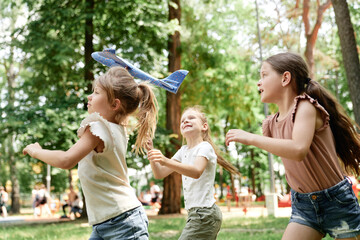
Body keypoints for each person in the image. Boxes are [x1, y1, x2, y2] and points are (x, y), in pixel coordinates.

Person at [225, 52, 360, 240]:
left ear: (285, 78)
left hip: (335, 201)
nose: (259, 82)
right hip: (304, 205)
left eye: (264, 75)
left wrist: (250, 138)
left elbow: (298, 150)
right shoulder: (270, 124)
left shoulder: (306, 107)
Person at [23, 66, 158, 239]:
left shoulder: (98, 127)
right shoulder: (117, 128)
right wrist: (121, 78)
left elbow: (66, 160)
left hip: (122, 221)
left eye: (96, 92)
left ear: (115, 104)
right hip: (110, 221)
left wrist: (37, 151)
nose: (89, 96)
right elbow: (118, 110)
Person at [147, 106, 239, 240]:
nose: (185, 121)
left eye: (191, 118)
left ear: (204, 126)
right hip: (196, 214)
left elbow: (196, 172)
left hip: (205, 214)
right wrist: (151, 153)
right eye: (182, 120)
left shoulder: (204, 147)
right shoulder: (183, 151)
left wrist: (165, 160)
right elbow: (159, 174)